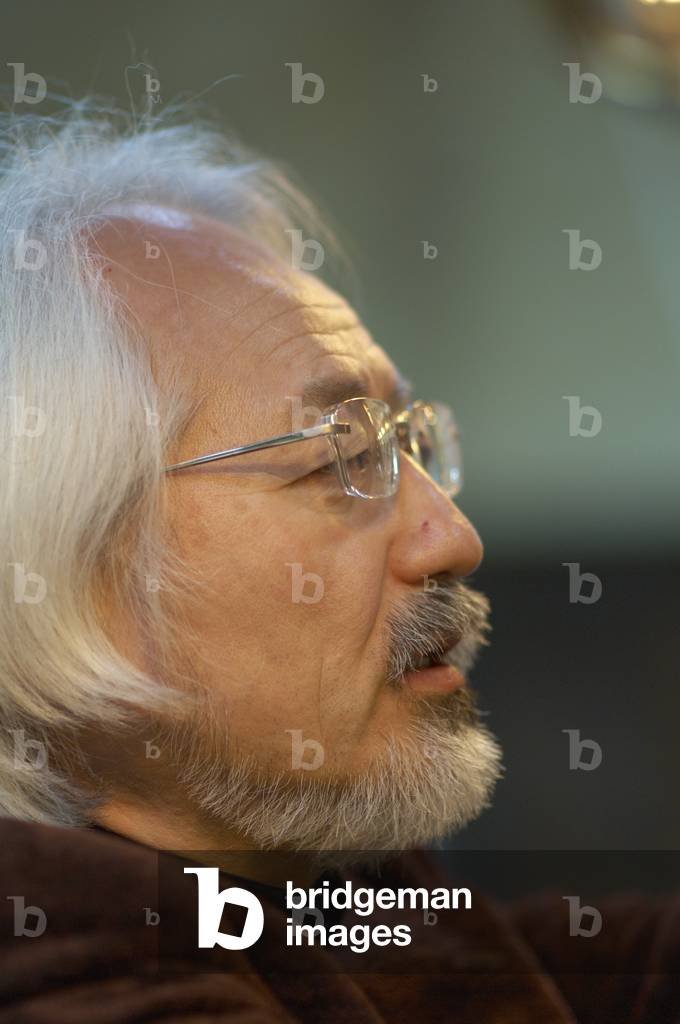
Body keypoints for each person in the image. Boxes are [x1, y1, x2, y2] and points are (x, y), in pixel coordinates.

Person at [0, 105, 677, 1023]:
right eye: (340, 455)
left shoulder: (329, 900)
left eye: (410, 441)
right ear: (68, 573)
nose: (453, 537)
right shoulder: (59, 968)